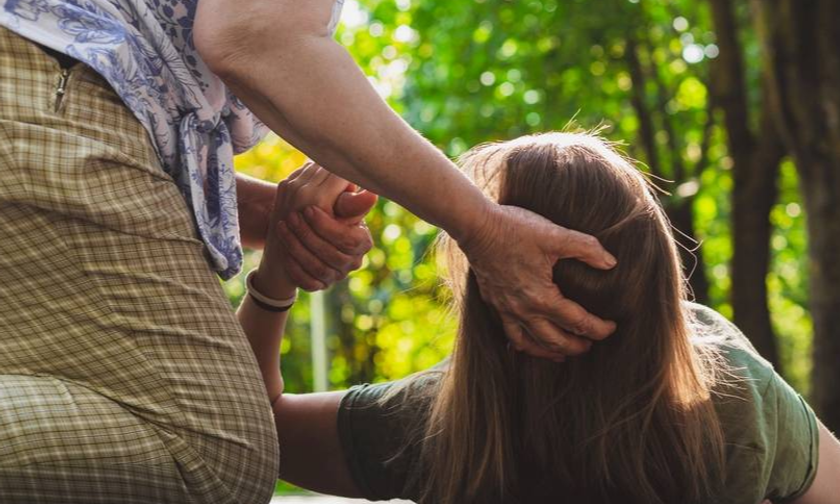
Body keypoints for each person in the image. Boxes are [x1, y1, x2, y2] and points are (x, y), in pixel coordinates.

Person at [0, 0, 616, 502]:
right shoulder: (437, 421)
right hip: (48, 88)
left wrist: (278, 231)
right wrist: (481, 225)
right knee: (209, 454)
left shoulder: (431, 426)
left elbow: (245, 41)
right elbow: (255, 36)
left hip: (43, 90)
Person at [245, 132, 840, 504]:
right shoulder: (735, 399)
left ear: (493, 290)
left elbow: (252, 433)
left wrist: (276, 278)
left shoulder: (434, 425)